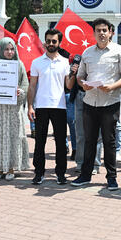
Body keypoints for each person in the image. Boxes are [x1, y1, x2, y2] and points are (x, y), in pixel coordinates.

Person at [71, 18, 121, 191]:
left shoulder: (120, 52)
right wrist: (83, 84)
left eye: (105, 30)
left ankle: (111, 177)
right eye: (98, 30)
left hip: (110, 102)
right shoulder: (87, 52)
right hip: (90, 102)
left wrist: (112, 87)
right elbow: (80, 76)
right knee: (89, 140)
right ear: (94, 33)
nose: (102, 33)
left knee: (109, 141)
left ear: (111, 32)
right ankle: (85, 175)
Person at [27, 29, 77, 185]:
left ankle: (60, 173)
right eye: (48, 41)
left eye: (54, 41)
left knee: (61, 142)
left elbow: (68, 85)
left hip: (59, 107)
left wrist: (73, 74)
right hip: (41, 107)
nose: (50, 44)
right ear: (44, 42)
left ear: (59, 43)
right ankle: (39, 173)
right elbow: (32, 86)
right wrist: (30, 106)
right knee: (39, 142)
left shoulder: (64, 62)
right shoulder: (36, 62)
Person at [0, 38, 30, 180]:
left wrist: (20, 92)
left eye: (12, 49)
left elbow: (25, 85)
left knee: (13, 136)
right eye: (6, 49)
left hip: (13, 109)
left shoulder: (19, 65)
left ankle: (11, 168)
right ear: (0, 50)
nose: (9, 52)